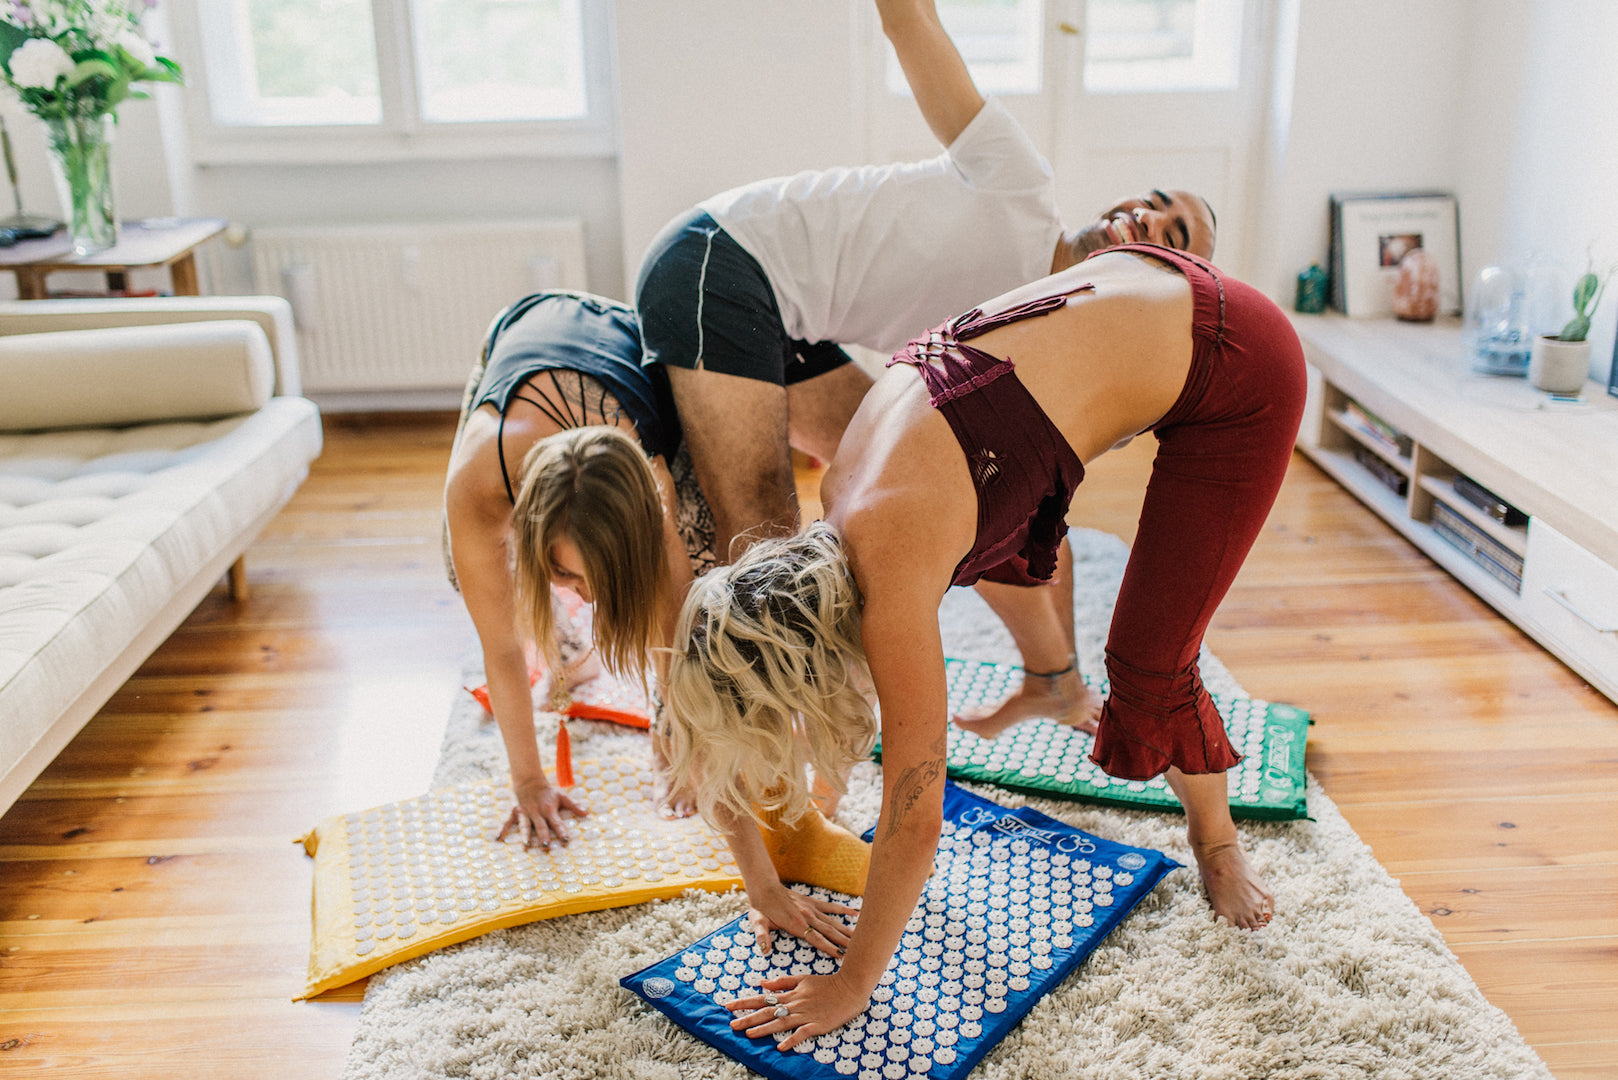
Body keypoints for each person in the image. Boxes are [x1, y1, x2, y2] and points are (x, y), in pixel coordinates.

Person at [662, 242, 1307, 1050]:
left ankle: (1215, 842)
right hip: (1156, 280)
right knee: (987, 533)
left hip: (1240, 366)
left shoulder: (889, 575)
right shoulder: (842, 495)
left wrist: (855, 981)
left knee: (1150, 661)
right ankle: (1053, 683)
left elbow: (915, 814)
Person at [635, 0, 1217, 580]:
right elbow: (909, 20)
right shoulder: (1018, 183)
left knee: (919, 492)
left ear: (1168, 277)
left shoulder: (1063, 331)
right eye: (1155, 200)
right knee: (764, 527)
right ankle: (758, 668)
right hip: (722, 256)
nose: (1148, 216)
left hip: (787, 315)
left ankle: (1054, 675)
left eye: (1176, 233)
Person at [442, 290, 716, 850]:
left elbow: (672, 613)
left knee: (703, 558)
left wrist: (676, 735)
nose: (591, 600)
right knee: (464, 568)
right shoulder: (478, 480)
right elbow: (499, 649)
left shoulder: (647, 470)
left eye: (601, 579)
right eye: (569, 578)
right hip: (520, 325)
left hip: (620, 343)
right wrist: (528, 781)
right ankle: (569, 659)